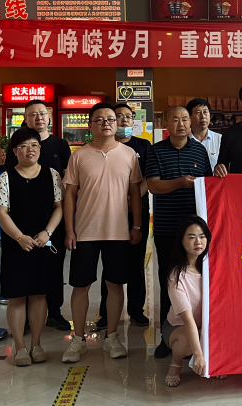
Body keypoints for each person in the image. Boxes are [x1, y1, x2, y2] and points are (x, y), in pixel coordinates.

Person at [62, 103, 143, 363]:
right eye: (99, 119)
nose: (106, 123)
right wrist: (69, 229)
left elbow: (135, 193)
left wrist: (137, 226)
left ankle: (112, 336)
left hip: (118, 232)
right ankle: (78, 339)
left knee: (115, 284)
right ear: (90, 125)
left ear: (117, 124)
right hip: (85, 231)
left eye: (110, 119)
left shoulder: (129, 154)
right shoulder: (79, 156)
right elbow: (69, 194)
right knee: (80, 286)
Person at [0, 128, 64, 366]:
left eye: (33, 145)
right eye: (23, 146)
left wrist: (47, 232)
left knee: (39, 294)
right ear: (15, 151)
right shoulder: (5, 178)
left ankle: (37, 344)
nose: (29, 150)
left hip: (42, 242)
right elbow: (1, 213)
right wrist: (20, 237)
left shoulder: (52, 175)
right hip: (16, 245)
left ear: (40, 149)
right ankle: (21, 347)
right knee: (17, 296)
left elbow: (59, 207)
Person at [146, 106, 213, 359]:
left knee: (198, 280)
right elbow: (154, 186)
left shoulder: (199, 150)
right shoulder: (156, 151)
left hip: (195, 230)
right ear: (166, 123)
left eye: (185, 119)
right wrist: (181, 182)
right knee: (169, 279)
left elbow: (208, 185)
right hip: (167, 228)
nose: (182, 124)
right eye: (175, 119)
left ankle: (201, 332)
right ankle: (168, 336)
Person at [4, 99, 72, 331]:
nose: (39, 118)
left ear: (49, 117)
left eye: (42, 113)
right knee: (23, 268)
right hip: (22, 219)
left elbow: (67, 179)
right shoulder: (16, 144)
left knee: (53, 266)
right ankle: (24, 318)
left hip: (52, 218)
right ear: (25, 118)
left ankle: (54, 312)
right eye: (33, 114)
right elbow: (11, 178)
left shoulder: (60, 144)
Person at [95, 104, 151, 330]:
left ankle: (136, 310)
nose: (125, 121)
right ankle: (106, 313)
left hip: (138, 211)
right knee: (110, 263)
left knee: (136, 263)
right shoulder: (105, 146)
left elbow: (149, 177)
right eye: (119, 116)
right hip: (110, 213)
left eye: (129, 117)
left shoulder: (143, 146)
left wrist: (134, 197)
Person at [163, 216, 227, 386]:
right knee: (187, 339)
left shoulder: (211, 267)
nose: (198, 242)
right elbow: (188, 320)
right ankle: (175, 365)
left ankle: (214, 361)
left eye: (202, 236)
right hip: (178, 327)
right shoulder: (176, 276)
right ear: (181, 241)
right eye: (191, 237)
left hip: (205, 326)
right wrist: (198, 355)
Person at [187, 98, 222, 170]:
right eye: (198, 113)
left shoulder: (220, 139)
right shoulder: (183, 140)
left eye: (205, 112)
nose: (203, 116)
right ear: (189, 117)